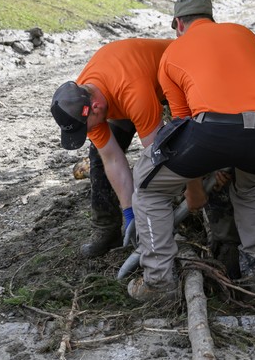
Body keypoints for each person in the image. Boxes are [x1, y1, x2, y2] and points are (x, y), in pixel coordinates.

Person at [127, 0, 255, 302]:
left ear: (178, 23)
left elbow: (183, 125)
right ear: (211, 17)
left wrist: (193, 186)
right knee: (252, 190)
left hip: (213, 131)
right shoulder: (245, 35)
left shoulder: (172, 53)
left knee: (148, 189)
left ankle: (159, 282)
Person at [50, 38, 172, 257]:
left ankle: (171, 221)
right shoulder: (82, 103)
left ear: (95, 108)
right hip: (120, 98)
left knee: (174, 153)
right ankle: (107, 229)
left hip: (170, 82)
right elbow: (112, 159)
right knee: (97, 158)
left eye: (84, 129)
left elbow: (156, 157)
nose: (85, 132)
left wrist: (148, 215)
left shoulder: (133, 92)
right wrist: (129, 212)